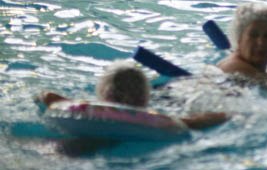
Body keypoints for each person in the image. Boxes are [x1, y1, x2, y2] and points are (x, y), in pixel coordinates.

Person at [37, 61, 228, 130]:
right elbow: (207, 119)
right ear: (145, 98)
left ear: (103, 94)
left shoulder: (87, 112)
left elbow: (46, 96)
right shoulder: (160, 122)